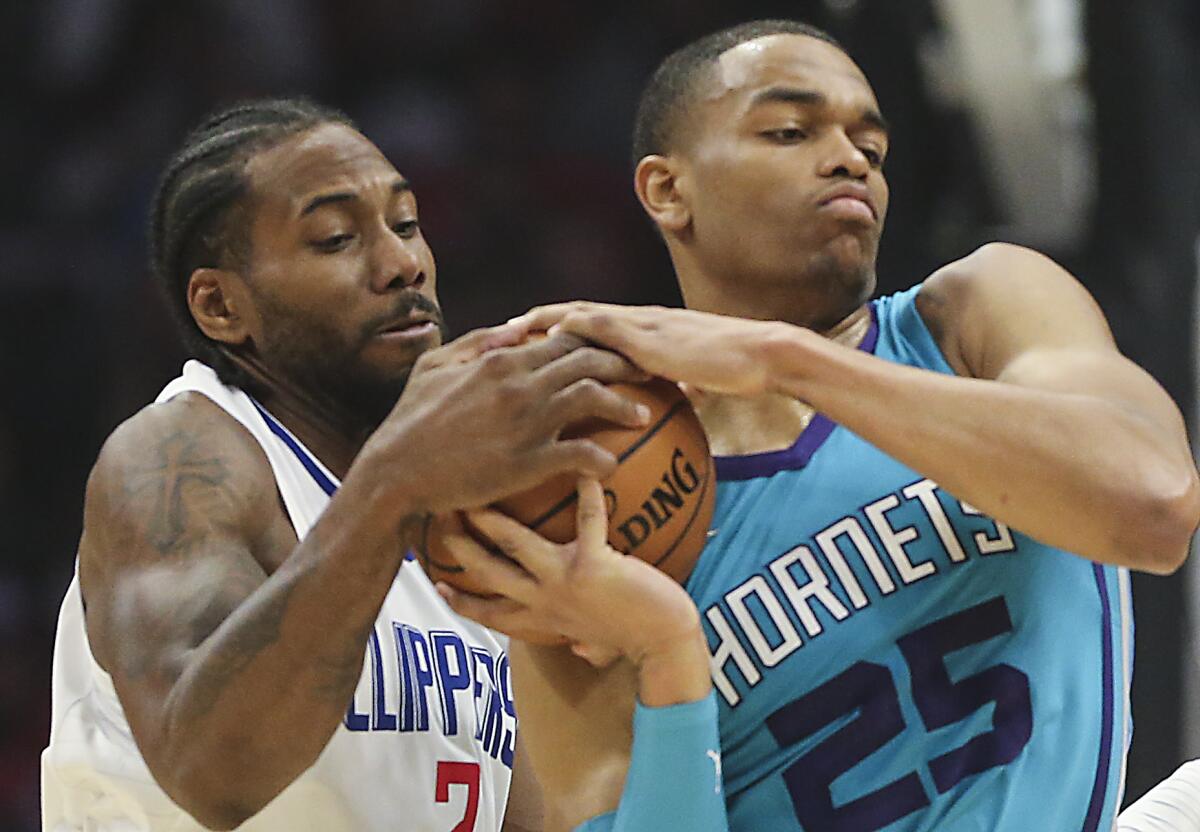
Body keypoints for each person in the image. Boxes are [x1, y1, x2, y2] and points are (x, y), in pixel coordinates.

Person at [437, 19, 1200, 832]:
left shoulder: (975, 313)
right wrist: (667, 651)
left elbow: (1153, 508)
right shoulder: (598, 504)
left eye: (870, 145)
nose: (849, 159)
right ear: (668, 190)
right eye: (791, 131)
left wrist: (785, 360)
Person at [38, 96, 682, 831]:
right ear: (221, 307)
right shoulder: (180, 459)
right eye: (337, 238)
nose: (402, 263)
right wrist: (396, 483)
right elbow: (213, 772)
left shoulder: (463, 522)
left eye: (406, 224)